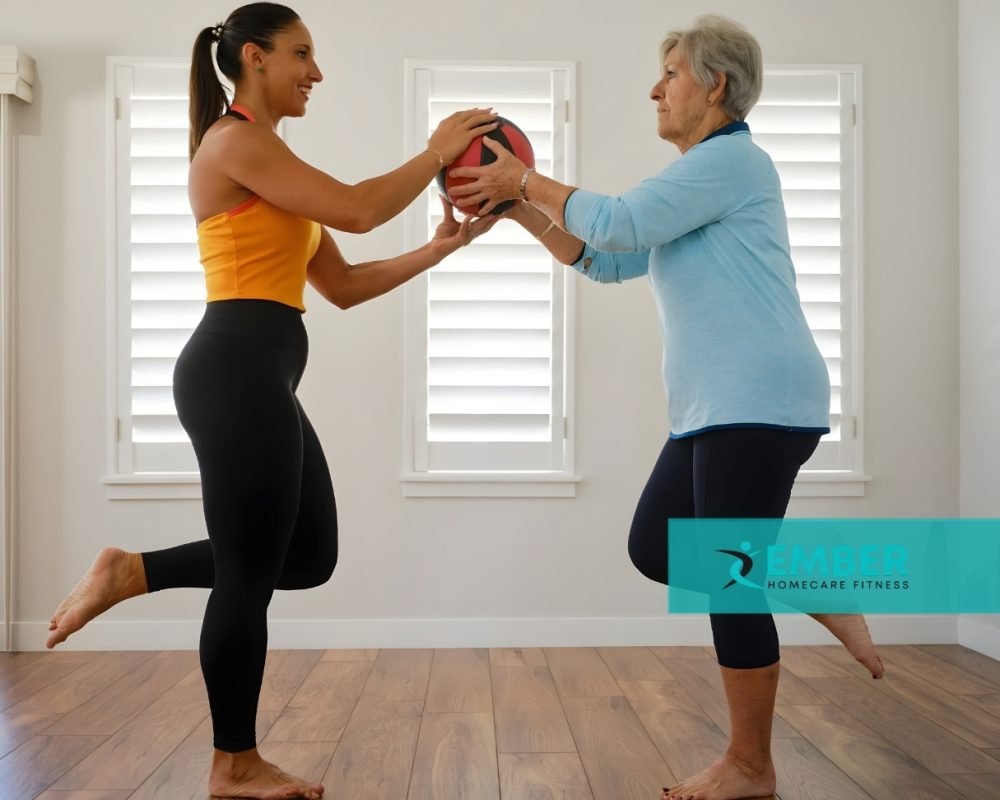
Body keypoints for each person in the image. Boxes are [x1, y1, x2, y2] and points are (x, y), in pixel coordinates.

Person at [44, 4, 497, 799]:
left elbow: (346, 286)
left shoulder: (273, 164)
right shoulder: (236, 141)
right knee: (249, 576)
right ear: (253, 57)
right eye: (302, 55)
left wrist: (439, 247)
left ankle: (131, 571)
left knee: (306, 556)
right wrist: (435, 152)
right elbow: (358, 204)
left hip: (261, 379)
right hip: (232, 375)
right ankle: (234, 764)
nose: (315, 72)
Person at [449, 14, 883, 800]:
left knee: (726, 579)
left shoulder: (732, 163)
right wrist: (519, 213)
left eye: (672, 73)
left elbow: (618, 219)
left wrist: (525, 180)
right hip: (714, 404)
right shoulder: (693, 183)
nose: (656, 88)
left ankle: (751, 767)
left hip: (760, 397)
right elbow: (610, 258)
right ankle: (822, 586)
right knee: (656, 547)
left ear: (716, 86)